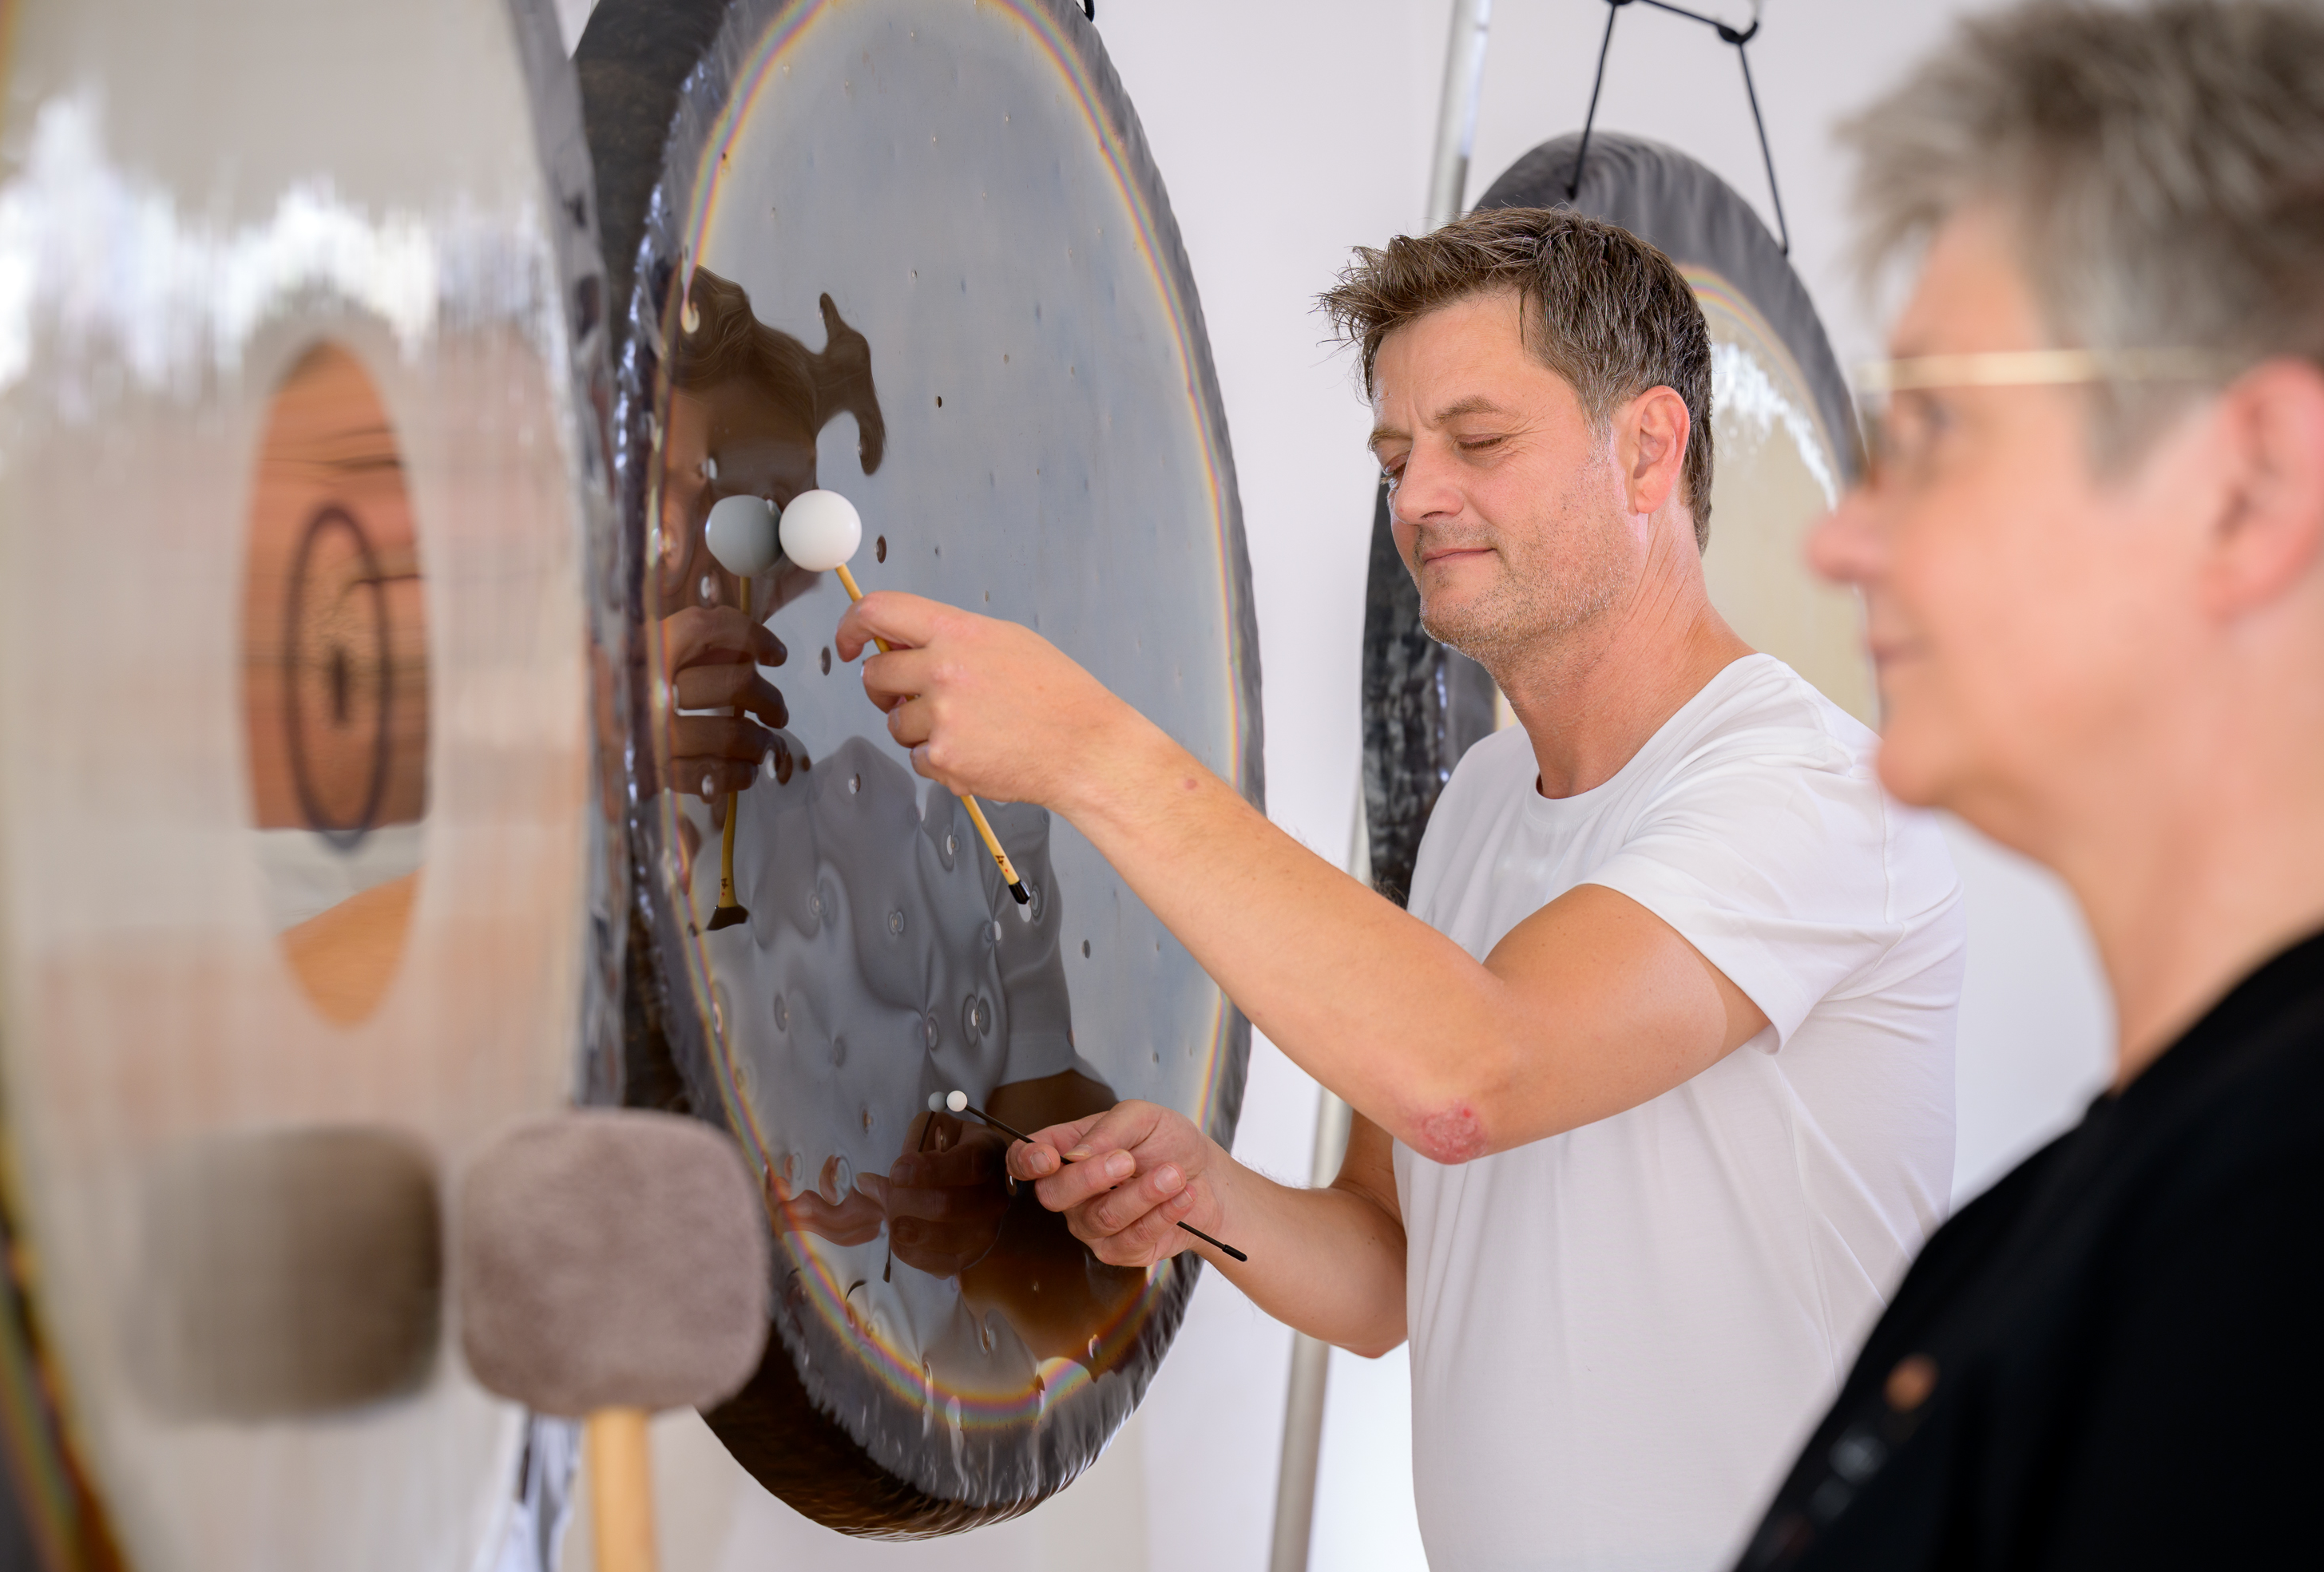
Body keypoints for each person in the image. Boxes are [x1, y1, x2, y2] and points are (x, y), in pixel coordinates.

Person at [833, 208, 1966, 1570]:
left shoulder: (1806, 792)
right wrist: (1206, 1192)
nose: (1418, 497)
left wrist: (1086, 748)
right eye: (1395, 456)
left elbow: (1471, 1072)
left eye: (1477, 442)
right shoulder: (1481, 805)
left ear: (1648, 446)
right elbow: (1389, 1269)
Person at [1732, 3, 2324, 1567]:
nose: (1837, 540)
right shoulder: (2071, 1218)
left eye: (1929, 425)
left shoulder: (2277, 1242)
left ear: (2248, 486)